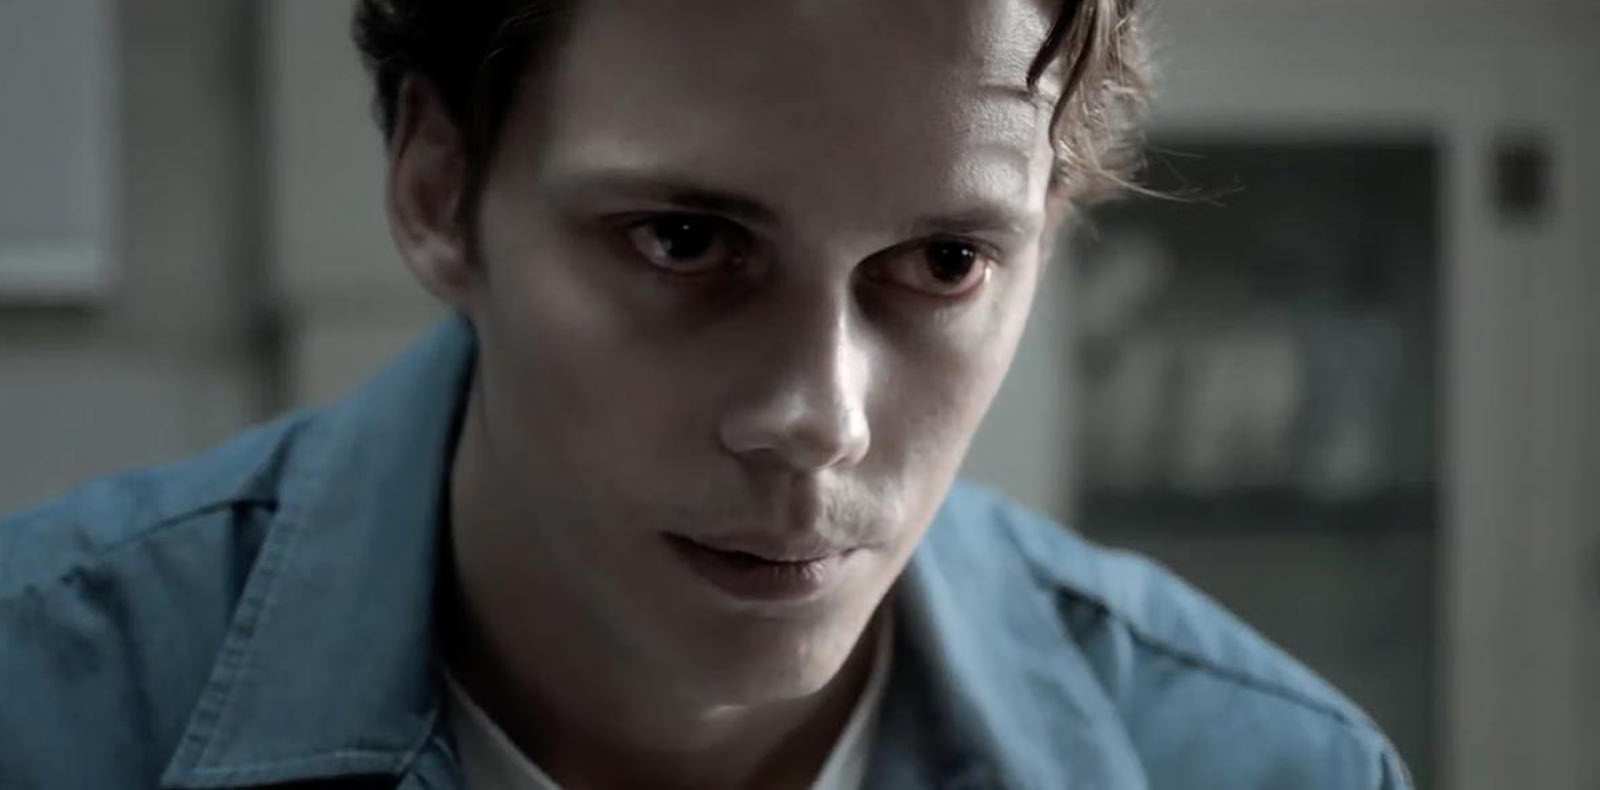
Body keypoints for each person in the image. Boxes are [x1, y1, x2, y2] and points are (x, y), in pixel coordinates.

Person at [0, 1, 1412, 788]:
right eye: (684, 241)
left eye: (944, 261)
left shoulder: (1270, 767)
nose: (821, 418)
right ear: (439, 193)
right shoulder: (41, 712)